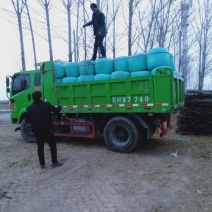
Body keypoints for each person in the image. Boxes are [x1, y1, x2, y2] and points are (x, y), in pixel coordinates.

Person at [25, 91, 63, 169]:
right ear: (40, 97)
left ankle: (42, 164)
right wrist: (60, 106)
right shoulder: (46, 105)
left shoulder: (29, 108)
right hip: (47, 129)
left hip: (37, 130)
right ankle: (54, 162)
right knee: (52, 145)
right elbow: (56, 110)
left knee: (40, 147)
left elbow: (27, 120)